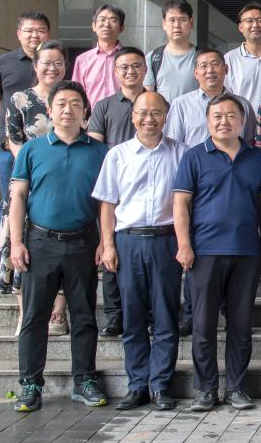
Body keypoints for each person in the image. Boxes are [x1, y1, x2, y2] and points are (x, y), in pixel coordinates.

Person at [9, 81, 109, 412]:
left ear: (85, 112)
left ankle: (85, 380)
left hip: (83, 242)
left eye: (75, 104)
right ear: (50, 111)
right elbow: (18, 196)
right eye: (62, 104)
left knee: (84, 316)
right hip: (40, 242)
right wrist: (16, 242)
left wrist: (105, 241)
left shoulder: (100, 152)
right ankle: (30, 385)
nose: (68, 110)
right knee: (35, 317)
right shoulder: (32, 150)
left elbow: (106, 202)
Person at [173, 93, 261, 413]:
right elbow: (181, 204)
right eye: (217, 116)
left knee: (241, 324)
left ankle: (236, 387)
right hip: (205, 252)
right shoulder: (194, 157)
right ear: (207, 121)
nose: (224, 121)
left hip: (246, 251)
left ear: (242, 121)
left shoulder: (256, 158)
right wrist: (184, 244)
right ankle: (206, 389)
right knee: (203, 324)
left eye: (231, 116)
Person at [92, 91, 187, 411]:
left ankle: (160, 385)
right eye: (143, 113)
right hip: (128, 241)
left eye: (156, 112)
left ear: (166, 116)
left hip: (166, 240)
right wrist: (107, 244)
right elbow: (108, 204)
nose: (149, 118)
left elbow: (187, 203)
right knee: (132, 317)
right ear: (133, 117)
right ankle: (136, 386)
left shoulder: (181, 153)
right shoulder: (117, 155)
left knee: (165, 316)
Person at [4, 40, 70, 337]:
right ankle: (25, 312)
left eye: (58, 63)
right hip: (27, 180)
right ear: (35, 65)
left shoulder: (72, 97)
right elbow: (14, 140)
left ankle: (57, 312)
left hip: (65, 181)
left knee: (65, 247)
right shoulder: (19, 99)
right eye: (46, 62)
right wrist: (35, 168)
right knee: (23, 245)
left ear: (65, 66)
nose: (52, 68)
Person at [89, 46, 147, 338]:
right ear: (115, 72)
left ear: (145, 70)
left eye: (136, 66)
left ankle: (147, 312)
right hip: (115, 182)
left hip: (148, 183)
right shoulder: (104, 106)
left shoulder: (157, 102)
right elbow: (96, 146)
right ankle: (114, 314)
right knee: (109, 246)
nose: (130, 71)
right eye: (124, 67)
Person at [0, 10, 50, 206]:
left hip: (46, 143)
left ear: (48, 34)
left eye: (40, 30)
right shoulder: (4, 62)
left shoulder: (54, 63)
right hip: (9, 144)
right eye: (29, 31)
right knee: (10, 200)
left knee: (42, 198)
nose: (34, 35)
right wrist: (16, 120)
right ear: (19, 34)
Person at [165, 49, 256, 147]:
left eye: (215, 64)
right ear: (196, 73)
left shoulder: (243, 104)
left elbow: (249, 143)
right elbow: (172, 145)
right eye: (203, 66)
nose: (210, 70)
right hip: (194, 157)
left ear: (226, 69)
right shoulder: (181, 105)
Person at [223, 2, 261, 110]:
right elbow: (225, 94)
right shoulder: (229, 59)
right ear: (240, 27)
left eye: (260, 20)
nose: (255, 25)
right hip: (242, 119)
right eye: (249, 21)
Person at [144, 0, 198, 103]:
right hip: (163, 113)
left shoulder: (202, 57)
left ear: (191, 23)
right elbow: (148, 96)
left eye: (182, 19)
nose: (177, 25)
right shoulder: (153, 57)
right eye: (172, 20)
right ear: (164, 24)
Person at [72, 4, 124, 104]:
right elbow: (76, 94)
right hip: (93, 113)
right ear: (94, 26)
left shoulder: (130, 59)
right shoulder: (82, 60)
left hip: (124, 113)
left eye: (113, 20)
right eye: (102, 19)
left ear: (121, 28)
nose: (107, 25)